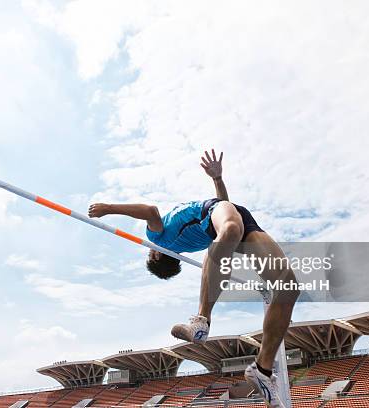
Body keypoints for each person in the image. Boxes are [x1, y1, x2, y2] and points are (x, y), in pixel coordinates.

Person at [88, 149, 299, 407]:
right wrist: (109, 208)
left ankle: (263, 371)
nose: (149, 248)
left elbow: (226, 207)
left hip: (231, 216)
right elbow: (151, 210)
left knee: (288, 286)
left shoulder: (183, 243)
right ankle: (201, 320)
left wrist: (218, 179)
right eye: (150, 253)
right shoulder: (158, 238)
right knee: (231, 230)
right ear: (156, 256)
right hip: (223, 216)